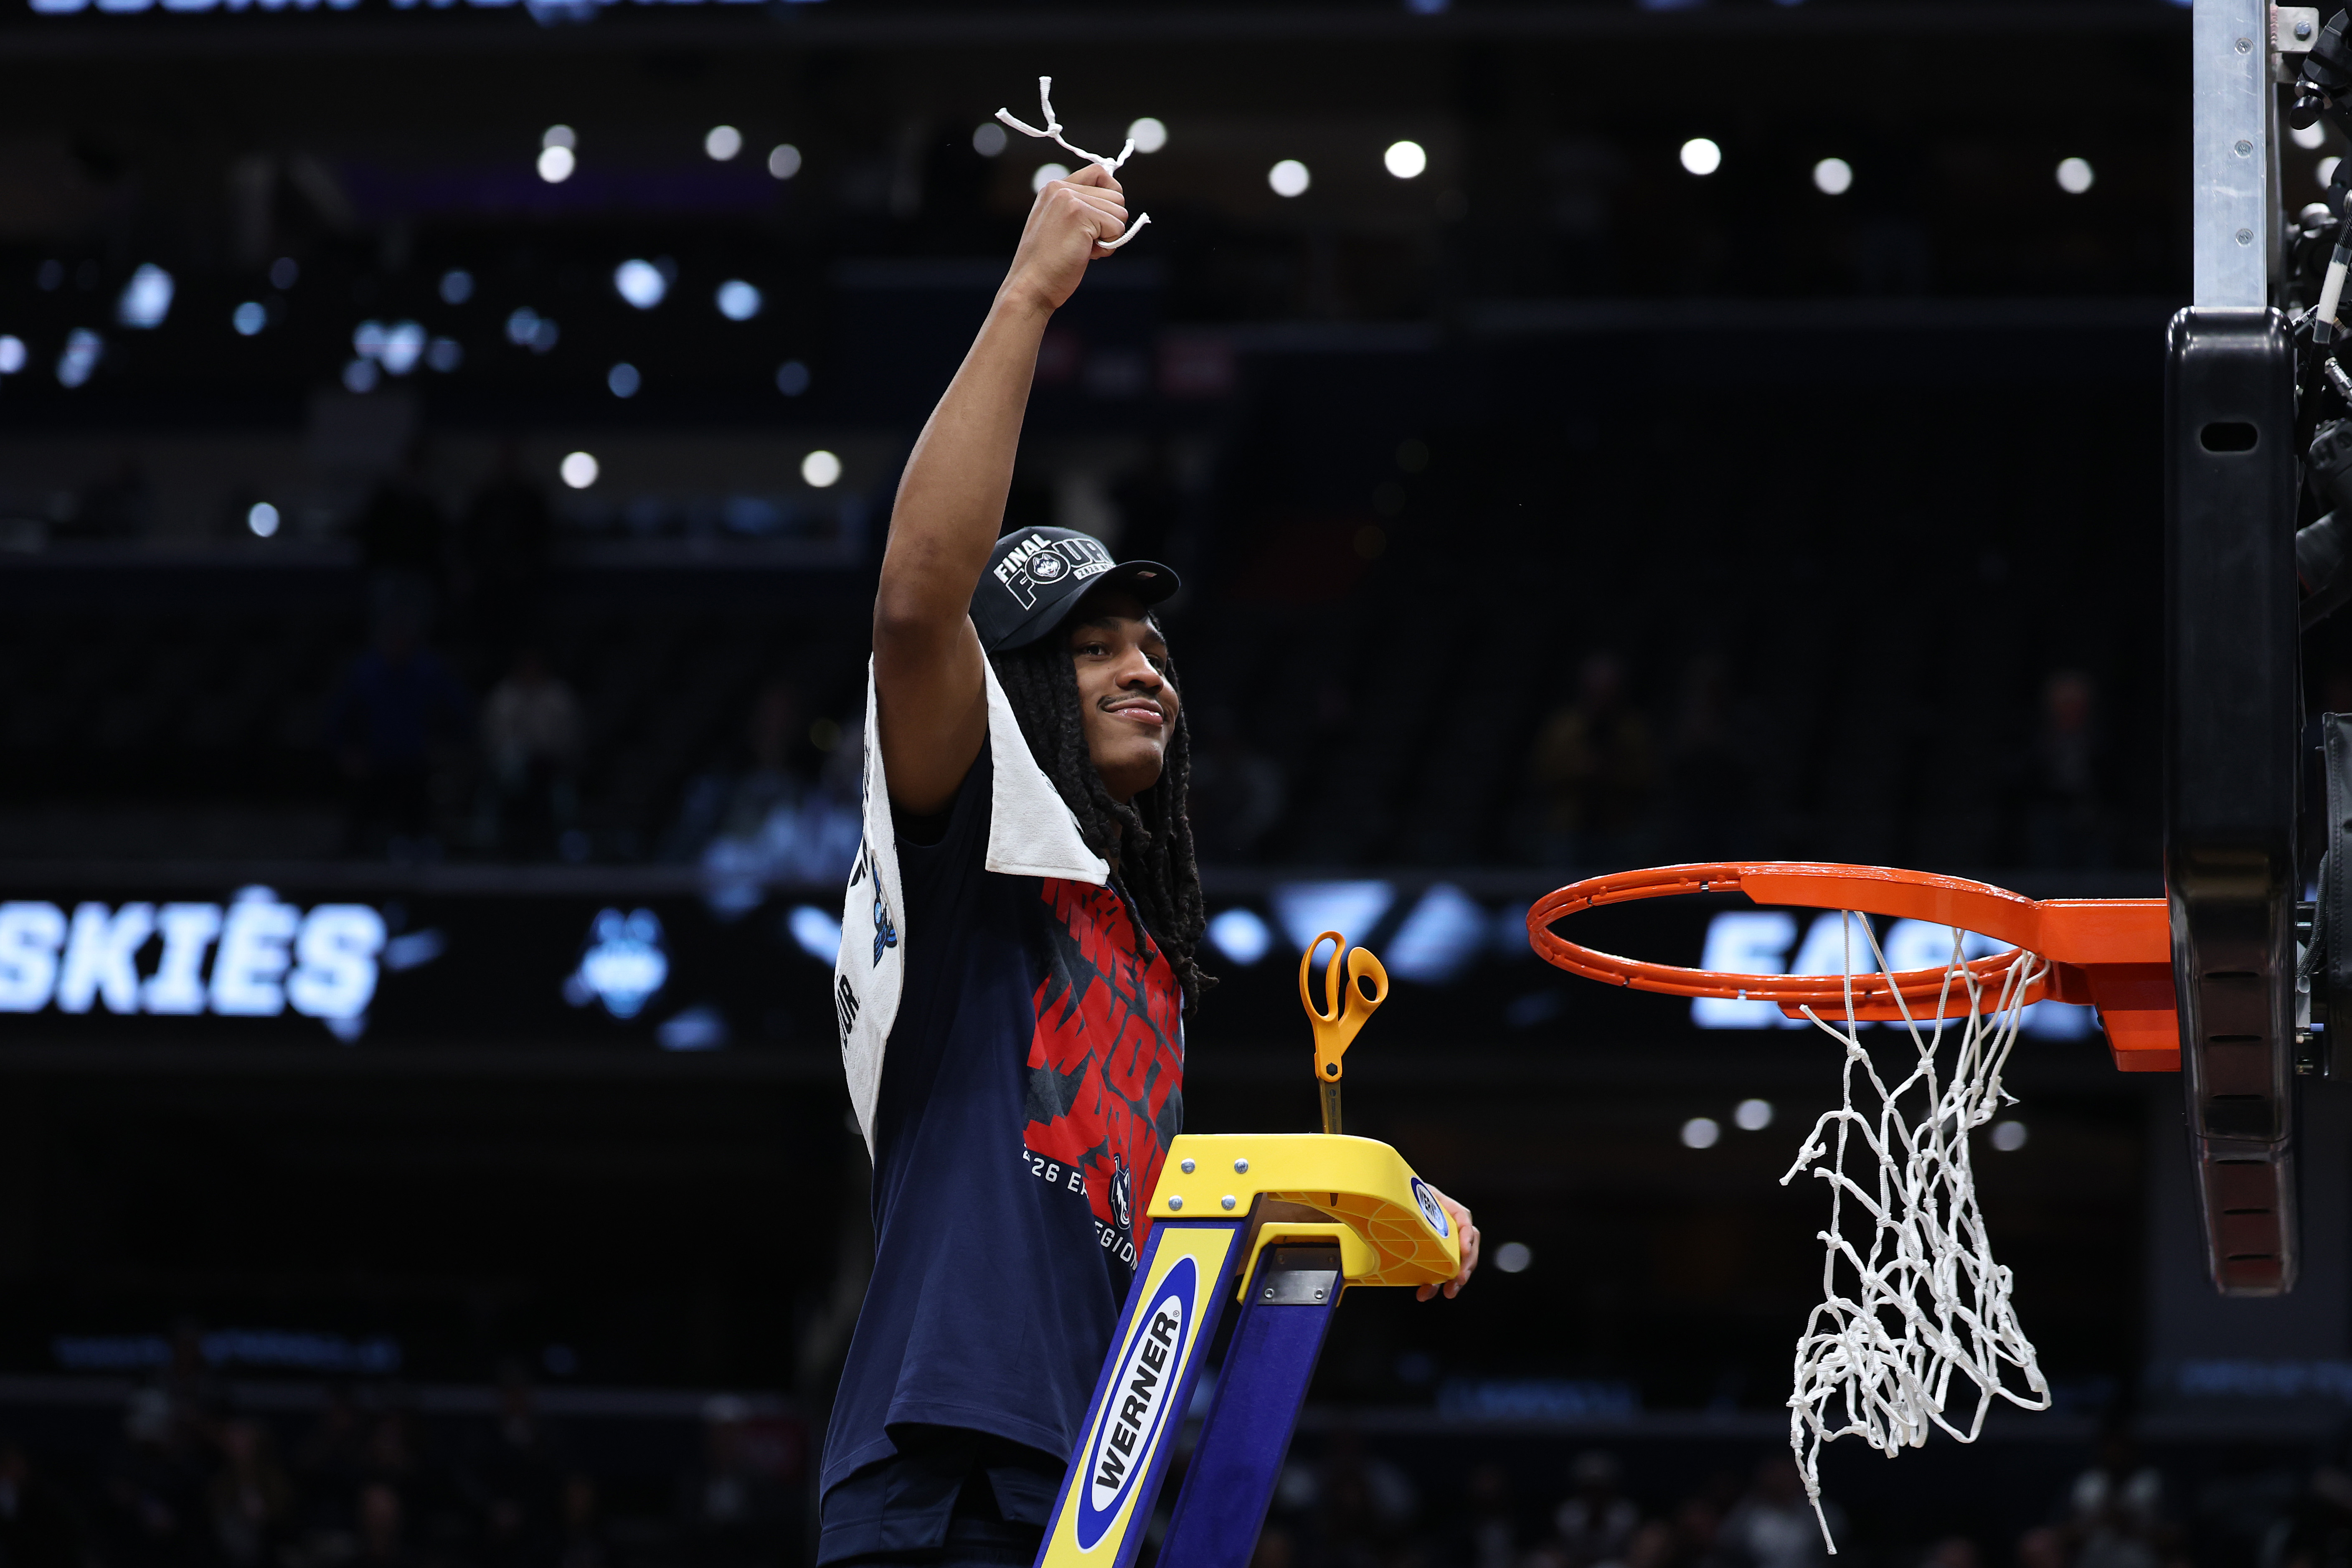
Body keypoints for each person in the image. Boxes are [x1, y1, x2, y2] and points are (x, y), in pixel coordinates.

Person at [817, 159, 1481, 1568]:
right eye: (1096, 647)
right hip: (944, 1475)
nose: (1146, 672)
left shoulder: (1152, 955)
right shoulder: (971, 852)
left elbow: (1172, 1227)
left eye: (1156, 649)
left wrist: (1379, 1203)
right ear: (1015, 694)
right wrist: (1033, 288)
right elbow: (916, 602)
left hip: (1089, 1490)